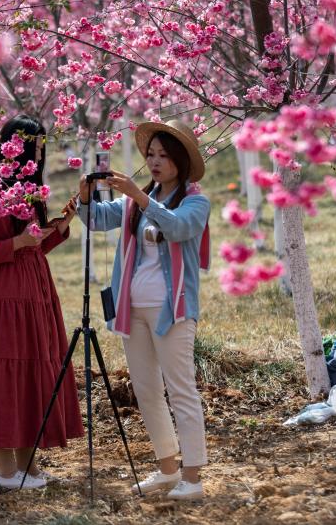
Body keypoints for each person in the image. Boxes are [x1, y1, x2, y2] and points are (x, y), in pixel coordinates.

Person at [76, 120, 211, 501]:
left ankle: (193, 477)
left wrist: (140, 197)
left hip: (172, 309)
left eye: (163, 156)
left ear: (180, 162)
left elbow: (180, 228)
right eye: (150, 154)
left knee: (180, 390)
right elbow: (97, 221)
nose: (154, 162)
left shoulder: (195, 201)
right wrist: (85, 197)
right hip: (131, 308)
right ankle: (168, 469)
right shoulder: (136, 202)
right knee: (147, 390)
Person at [0, 115, 84, 490]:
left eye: (39, 143)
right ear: (10, 145)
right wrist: (17, 243)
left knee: (32, 372)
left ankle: (28, 468)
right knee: (6, 374)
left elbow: (35, 245)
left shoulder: (31, 188)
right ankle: (5, 473)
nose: (37, 149)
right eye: (31, 142)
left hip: (34, 290)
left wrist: (60, 226)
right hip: (5, 295)